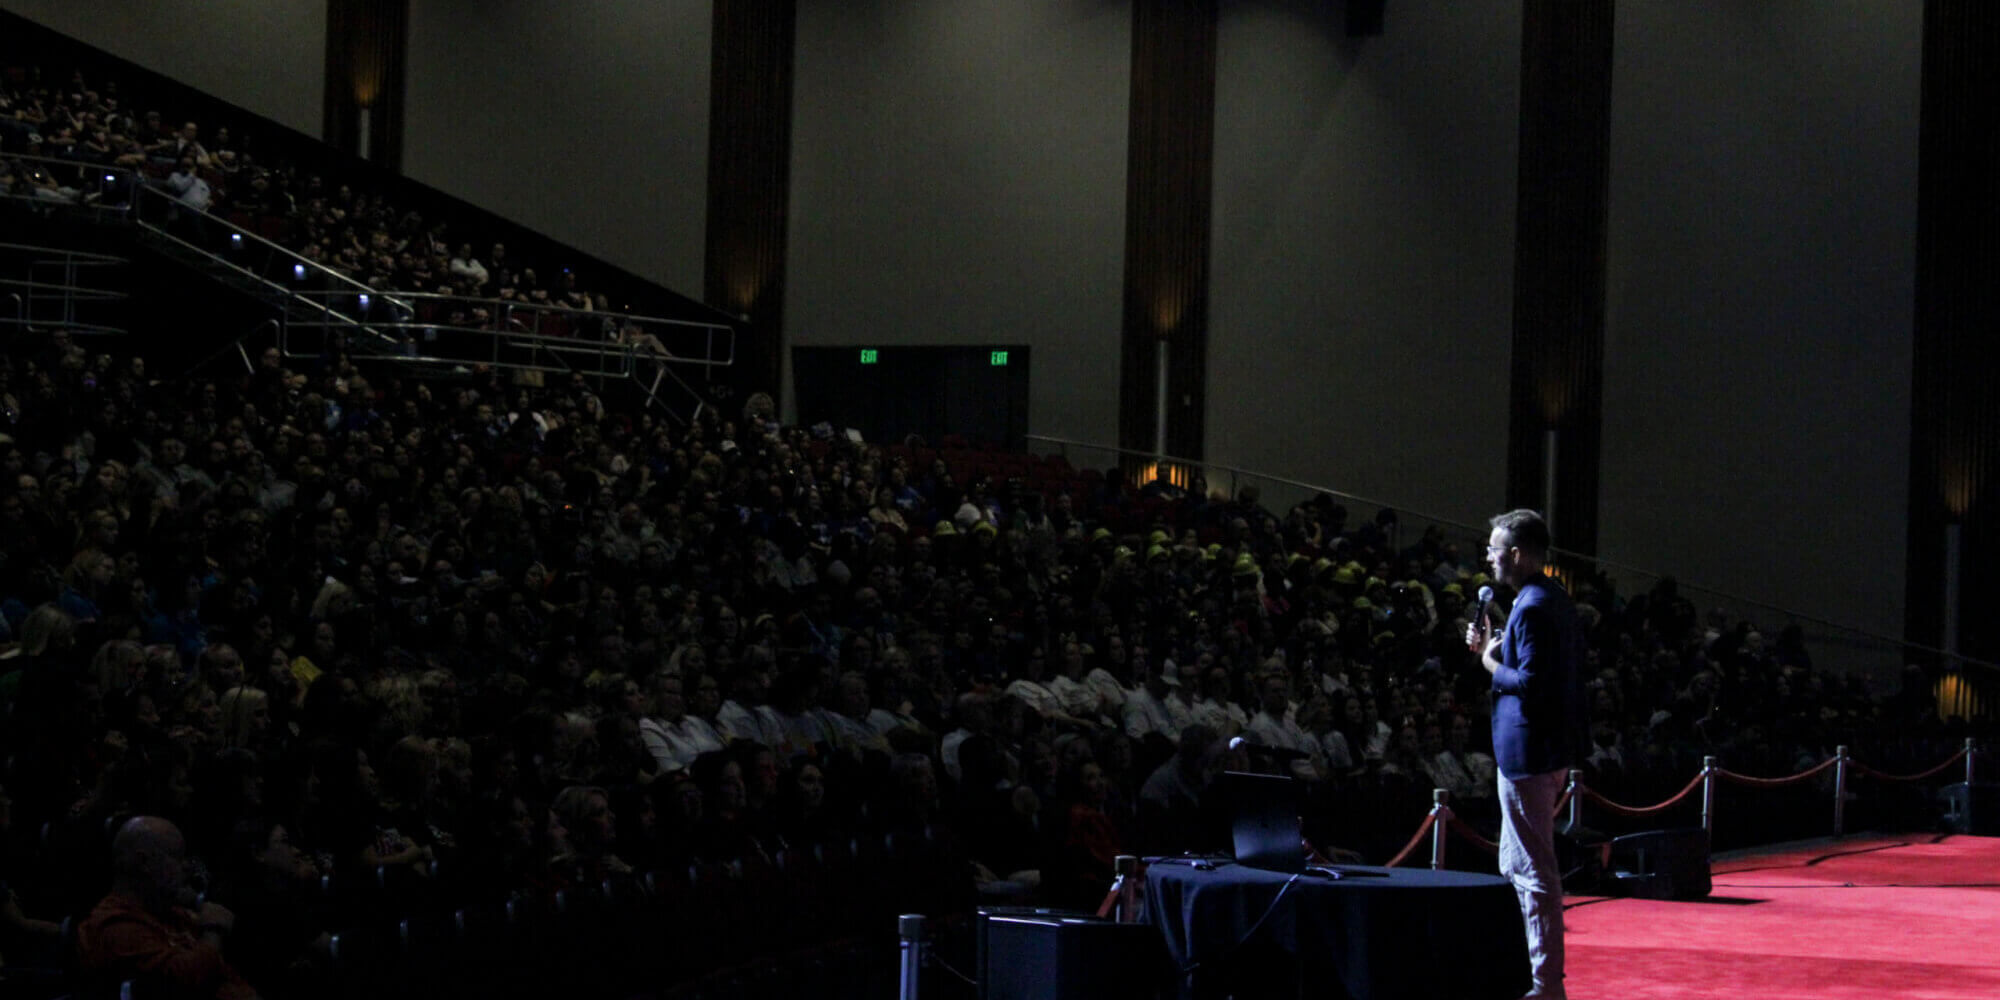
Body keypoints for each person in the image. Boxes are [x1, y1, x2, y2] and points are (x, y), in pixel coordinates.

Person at [1466, 509, 1587, 1000]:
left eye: (1494, 549)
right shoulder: (1549, 599)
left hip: (1529, 754)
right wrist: (1499, 640)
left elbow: (1532, 684)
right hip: (1544, 752)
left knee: (1534, 871)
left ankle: (1543, 984)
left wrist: (1490, 661)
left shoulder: (1533, 606)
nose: (1489, 557)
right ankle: (1523, 973)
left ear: (1516, 554)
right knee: (1513, 867)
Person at [77, 816, 259, 1000]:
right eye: (177, 856)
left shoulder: (169, 912)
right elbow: (182, 981)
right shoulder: (115, 927)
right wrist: (213, 931)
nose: (186, 866)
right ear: (144, 862)